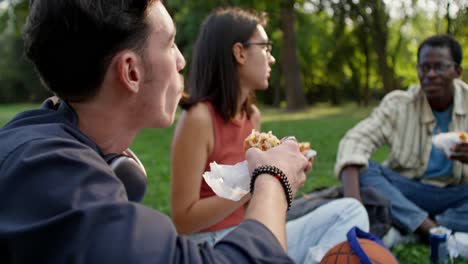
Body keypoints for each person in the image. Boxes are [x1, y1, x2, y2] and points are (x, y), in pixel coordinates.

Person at [1, 1, 321, 263]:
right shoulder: (58, 185)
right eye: (169, 44)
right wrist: (272, 180)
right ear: (131, 71)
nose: (182, 60)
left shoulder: (40, 144)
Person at [171, 7, 369, 263]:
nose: (272, 59)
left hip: (252, 232)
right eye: (265, 48)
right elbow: (184, 221)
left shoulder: (252, 116)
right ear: (240, 52)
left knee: (350, 211)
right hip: (213, 247)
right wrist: (263, 180)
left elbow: (254, 205)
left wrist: (286, 180)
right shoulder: (198, 119)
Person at [336, 34, 468, 243]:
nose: (431, 74)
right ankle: (430, 228)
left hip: (457, 194)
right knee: (366, 169)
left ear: (457, 72)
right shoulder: (399, 104)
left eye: (440, 67)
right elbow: (356, 140)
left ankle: (413, 226)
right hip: (407, 190)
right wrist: (354, 208)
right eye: (424, 67)